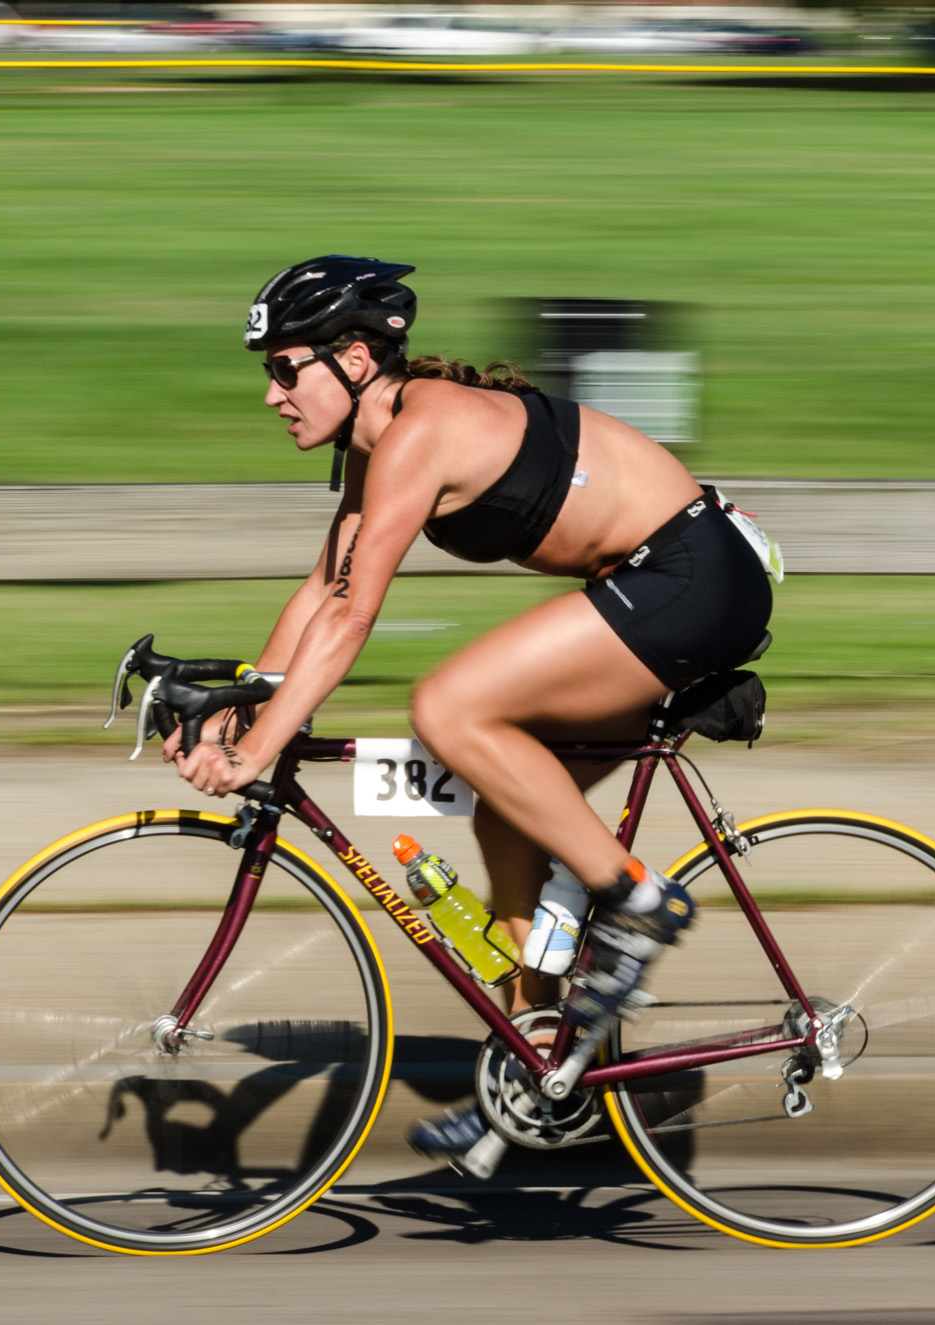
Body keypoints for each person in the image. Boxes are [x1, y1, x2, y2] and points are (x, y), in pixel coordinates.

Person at [169, 255, 776, 1168]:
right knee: (510, 806)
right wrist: (246, 700)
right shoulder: (374, 443)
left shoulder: (421, 433)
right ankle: (539, 1068)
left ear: (357, 360)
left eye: (285, 369)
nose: (273, 395)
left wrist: (259, 748)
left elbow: (355, 615)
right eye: (270, 374)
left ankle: (641, 901)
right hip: (653, 584)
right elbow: (320, 590)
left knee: (449, 708)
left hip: (690, 576)